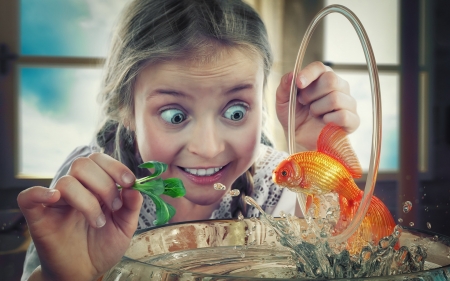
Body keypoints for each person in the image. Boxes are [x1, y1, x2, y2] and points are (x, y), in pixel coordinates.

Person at [17, 0, 359, 280]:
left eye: (236, 112)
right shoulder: (89, 189)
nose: (208, 148)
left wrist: (322, 168)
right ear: (126, 109)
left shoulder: (281, 182)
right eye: (174, 116)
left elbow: (347, 262)